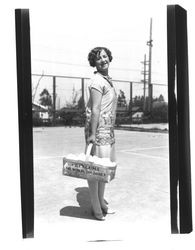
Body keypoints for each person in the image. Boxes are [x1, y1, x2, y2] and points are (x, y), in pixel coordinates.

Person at [85, 47, 117, 220]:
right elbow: (95, 109)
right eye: (99, 58)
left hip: (107, 130)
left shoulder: (107, 80)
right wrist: (92, 134)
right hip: (97, 131)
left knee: (104, 169)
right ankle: (96, 207)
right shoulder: (97, 81)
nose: (103, 60)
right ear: (94, 63)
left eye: (105, 56)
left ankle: (102, 203)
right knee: (94, 170)